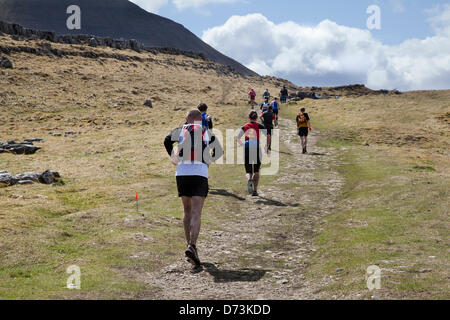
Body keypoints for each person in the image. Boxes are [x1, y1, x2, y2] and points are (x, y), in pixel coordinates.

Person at [164, 110, 223, 267]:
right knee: (197, 212)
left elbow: (166, 140)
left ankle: (188, 246)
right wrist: (208, 160)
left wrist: (173, 157)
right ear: (200, 119)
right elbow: (219, 150)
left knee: (187, 211)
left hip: (182, 172)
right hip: (199, 172)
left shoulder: (181, 129)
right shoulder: (205, 131)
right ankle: (192, 245)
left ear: (187, 118)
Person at [237, 111, 267, 197]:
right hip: (257, 147)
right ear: (256, 118)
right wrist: (266, 146)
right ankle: (255, 190)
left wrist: (242, 145)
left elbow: (238, 138)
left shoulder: (244, 126)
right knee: (256, 170)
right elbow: (268, 135)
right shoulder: (260, 126)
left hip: (247, 147)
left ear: (249, 117)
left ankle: (249, 179)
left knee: (248, 170)